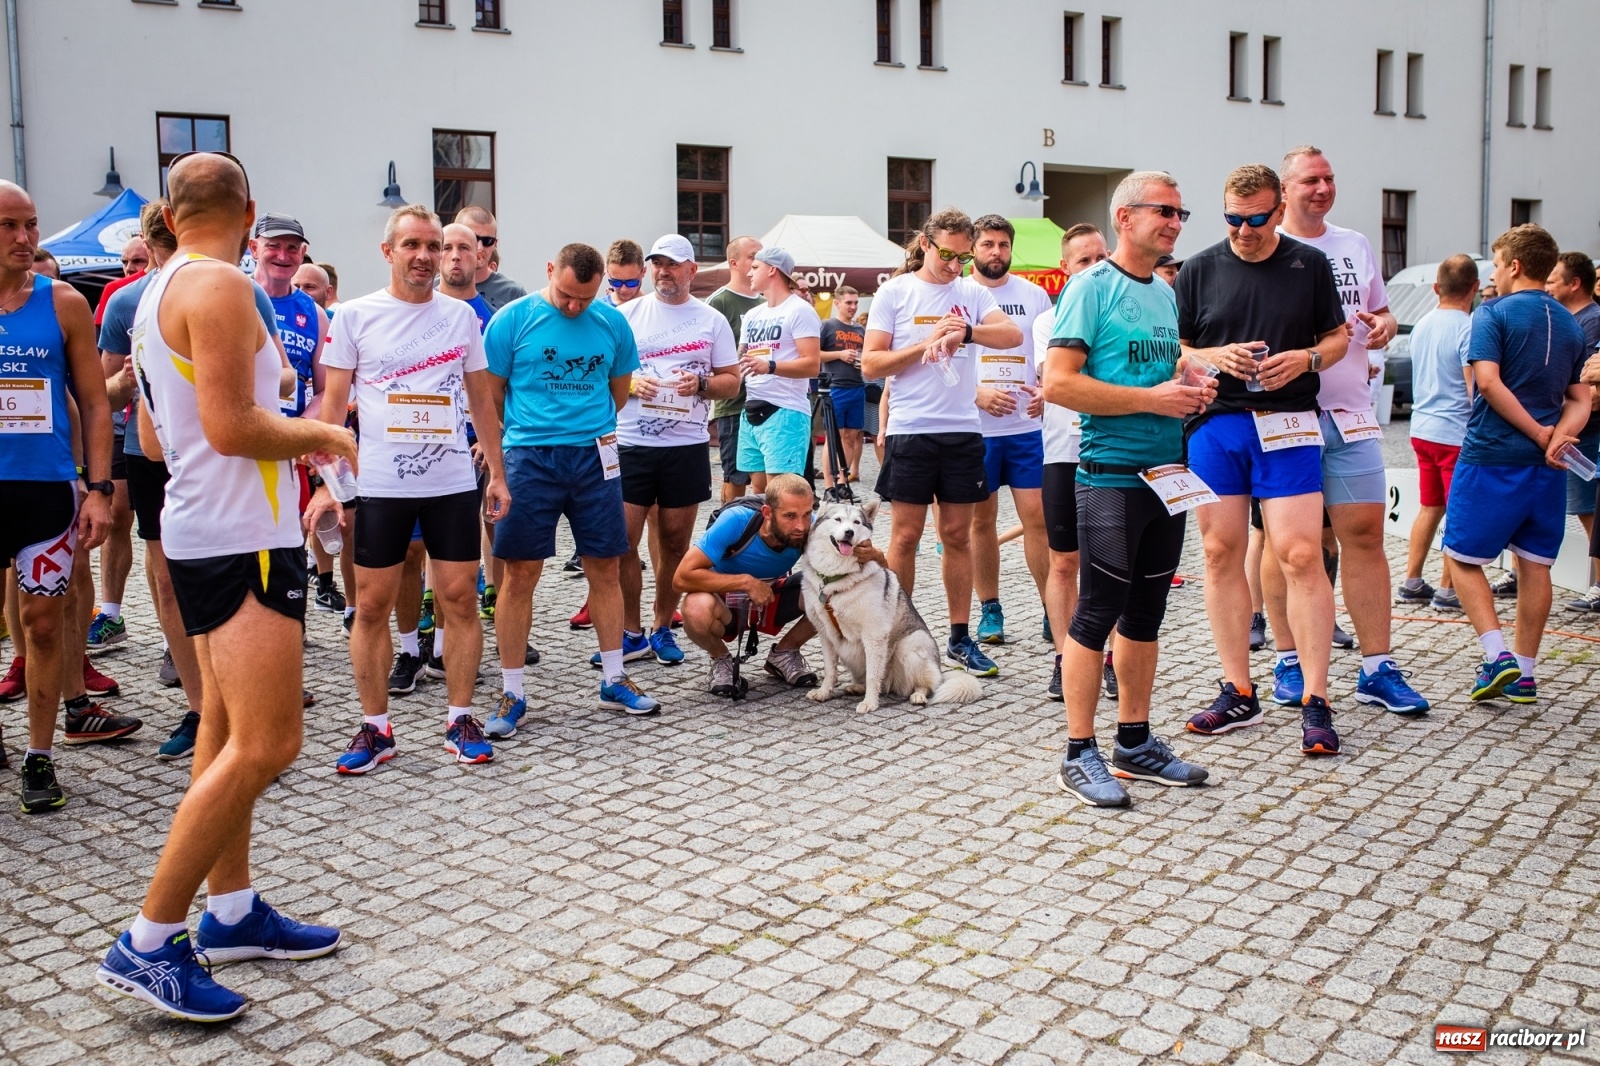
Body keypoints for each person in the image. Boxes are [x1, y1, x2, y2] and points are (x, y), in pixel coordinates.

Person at [97, 153, 353, 1020]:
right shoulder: (218, 288)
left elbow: (167, 440)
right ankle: (146, 940)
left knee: (223, 728)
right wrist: (328, 435)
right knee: (270, 744)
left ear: (170, 211)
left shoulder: (161, 288)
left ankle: (233, 911)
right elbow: (232, 426)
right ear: (250, 209)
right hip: (241, 540)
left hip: (217, 528)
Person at [318, 204, 508, 773]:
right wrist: (328, 485)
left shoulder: (460, 319)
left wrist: (496, 473)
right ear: (388, 252)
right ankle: (375, 728)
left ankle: (460, 717)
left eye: (433, 246)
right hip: (379, 484)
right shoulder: (353, 316)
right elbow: (331, 410)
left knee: (459, 600)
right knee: (372, 605)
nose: (425, 257)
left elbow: (482, 400)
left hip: (450, 481)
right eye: (413, 246)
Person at [1045, 170, 1214, 807]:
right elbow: (1059, 383)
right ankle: (1078, 753)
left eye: (1180, 213)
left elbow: (1160, 367)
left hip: (1166, 475)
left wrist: (1191, 387)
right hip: (1110, 475)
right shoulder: (1090, 286)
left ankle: (1135, 742)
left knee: (1147, 616)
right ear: (1125, 216)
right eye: (1163, 212)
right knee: (1098, 614)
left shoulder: (1164, 293)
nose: (1174, 223)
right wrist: (1150, 398)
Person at [1175, 163, 1349, 756]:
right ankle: (1238, 689)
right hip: (1217, 424)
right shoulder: (1197, 269)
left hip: (1290, 423)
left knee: (1300, 552)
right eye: (1232, 218)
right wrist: (1210, 354)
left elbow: (1338, 337)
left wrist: (1307, 359)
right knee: (1220, 551)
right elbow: (1174, 346)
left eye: (1255, 219)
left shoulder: (1308, 263)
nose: (1244, 230)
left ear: (1278, 212)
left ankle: (1316, 699)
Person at [99, 199, 283, 759]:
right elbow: (107, 394)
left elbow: (279, 368)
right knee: (168, 583)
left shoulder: (241, 292)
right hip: (168, 461)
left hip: (219, 469)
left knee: (232, 584)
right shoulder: (129, 299)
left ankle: (231, 707)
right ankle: (203, 706)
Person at [1268, 146, 1429, 715]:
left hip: (1352, 413)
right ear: (1284, 189)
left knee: (1364, 535)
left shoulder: (1354, 244)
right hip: (1288, 417)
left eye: (1329, 177)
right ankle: (1287, 660)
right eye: (1311, 179)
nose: (1323, 187)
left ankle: (1377, 666)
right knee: (1291, 546)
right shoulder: (1268, 247)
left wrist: (1383, 325)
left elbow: (1381, 311)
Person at [483, 242, 661, 726]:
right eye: (565, 295)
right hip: (529, 457)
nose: (574, 306)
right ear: (549, 272)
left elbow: (618, 393)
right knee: (519, 575)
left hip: (594, 457)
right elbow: (492, 394)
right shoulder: (513, 319)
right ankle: (512, 692)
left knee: (606, 566)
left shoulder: (612, 323)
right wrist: (522, 439)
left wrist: (582, 426)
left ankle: (614, 677)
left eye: (585, 297)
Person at [862, 208, 1023, 678]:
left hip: (962, 430)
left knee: (956, 536)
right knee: (906, 537)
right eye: (947, 255)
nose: (955, 265)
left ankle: (959, 636)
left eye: (963, 256)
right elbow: (871, 365)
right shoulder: (896, 291)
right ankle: (898, 635)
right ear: (926, 244)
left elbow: (1012, 334)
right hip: (913, 428)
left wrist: (966, 332)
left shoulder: (971, 291)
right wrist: (926, 344)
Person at [0, 179, 120, 809]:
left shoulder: (65, 301)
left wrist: (98, 488)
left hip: (45, 489)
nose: (25, 238)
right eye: (9, 226)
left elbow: (96, 405)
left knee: (44, 624)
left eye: (31, 224)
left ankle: (40, 755)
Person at [1444, 224, 1587, 705]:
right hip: (1547, 466)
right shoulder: (1570, 321)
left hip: (1493, 455)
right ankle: (1525, 673)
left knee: (1460, 557)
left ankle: (1497, 654)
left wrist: (1538, 432)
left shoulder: (1493, 312)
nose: (1495, 271)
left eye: (1498, 262)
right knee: (1535, 565)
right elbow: (1580, 396)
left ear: (1516, 265)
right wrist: (1560, 436)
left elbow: (1487, 382)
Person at [586, 234, 739, 680]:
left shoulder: (711, 320)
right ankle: (630, 631)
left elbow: (732, 381)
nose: (663, 272)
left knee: (674, 541)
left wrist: (704, 385)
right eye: (657, 265)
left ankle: (661, 625)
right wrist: (631, 385)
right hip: (631, 442)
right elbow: (600, 373)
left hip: (685, 445)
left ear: (692, 271)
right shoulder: (626, 315)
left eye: (673, 265)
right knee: (623, 542)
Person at [675, 474, 876, 695]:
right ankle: (721, 659)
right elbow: (682, 577)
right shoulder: (736, 521)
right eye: (790, 516)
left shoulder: (817, 526)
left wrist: (873, 554)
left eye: (807, 514)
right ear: (768, 513)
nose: (801, 525)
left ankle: (784, 652)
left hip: (772, 598)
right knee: (694, 607)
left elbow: (857, 566)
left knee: (832, 591)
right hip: (724, 604)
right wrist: (746, 582)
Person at [966, 215, 1052, 648]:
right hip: (976, 427)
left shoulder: (1034, 295)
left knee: (1037, 518)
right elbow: (941, 359)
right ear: (973, 249)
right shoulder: (959, 294)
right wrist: (976, 392)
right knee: (982, 520)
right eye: (987, 244)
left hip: (1026, 426)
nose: (995, 252)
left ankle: (1052, 607)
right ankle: (990, 609)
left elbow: (1051, 352)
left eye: (1002, 245)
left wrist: (1047, 390)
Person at [1036, 224, 1107, 700]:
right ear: (1066, 269)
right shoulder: (1048, 321)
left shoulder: (1126, 310)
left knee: (1111, 566)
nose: (1095, 268)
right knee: (1064, 563)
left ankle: (1113, 658)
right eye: (1084, 261)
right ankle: (1065, 657)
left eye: (1101, 258)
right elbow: (1058, 380)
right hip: (1063, 452)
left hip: (1113, 452)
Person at [1398, 255, 1480, 612]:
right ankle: (1448, 590)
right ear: (1475, 289)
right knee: (1459, 511)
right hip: (1454, 431)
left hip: (1422, 428)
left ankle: (1412, 580)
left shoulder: (1423, 324)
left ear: (1435, 288)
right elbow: (1471, 385)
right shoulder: (1468, 328)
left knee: (1430, 506)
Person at [84, 235, 151, 655]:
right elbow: (98, 371)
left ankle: (174, 632)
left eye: (138, 260)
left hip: (158, 430)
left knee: (159, 532)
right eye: (125, 261)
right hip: (119, 426)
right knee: (117, 519)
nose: (130, 268)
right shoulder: (117, 295)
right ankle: (111, 613)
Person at [735, 247, 823, 490]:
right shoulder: (752, 314)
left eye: (755, 267)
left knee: (780, 496)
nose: (749, 273)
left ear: (772, 269)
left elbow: (812, 365)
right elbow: (741, 357)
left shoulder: (800, 310)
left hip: (786, 411)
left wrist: (770, 366)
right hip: (752, 407)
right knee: (760, 493)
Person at [1544, 252, 1600, 610]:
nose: (1546, 286)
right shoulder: (1572, 318)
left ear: (1573, 283)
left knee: (1591, 511)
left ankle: (1597, 586)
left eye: (1552, 280)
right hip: (1574, 426)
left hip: (1586, 431)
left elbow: (1590, 386)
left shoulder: (1591, 321)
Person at [707, 236, 765, 504]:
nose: (759, 261)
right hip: (733, 405)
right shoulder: (719, 302)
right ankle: (728, 533)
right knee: (735, 479)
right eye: (753, 256)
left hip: (765, 401)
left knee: (764, 482)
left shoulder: (767, 303)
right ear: (734, 262)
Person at [818, 285, 866, 489]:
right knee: (833, 436)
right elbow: (813, 354)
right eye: (848, 302)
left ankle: (842, 481)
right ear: (837, 303)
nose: (853, 307)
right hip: (835, 387)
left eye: (855, 303)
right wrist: (839, 354)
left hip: (857, 385)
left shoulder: (860, 330)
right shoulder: (827, 326)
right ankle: (829, 484)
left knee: (851, 436)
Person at [453, 205, 525, 313]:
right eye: (474, 238)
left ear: (495, 244)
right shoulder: (432, 288)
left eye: (487, 241)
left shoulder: (513, 293)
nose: (480, 248)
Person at [602, 239, 647, 307]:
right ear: (607, 272)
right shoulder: (597, 311)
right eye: (616, 282)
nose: (623, 289)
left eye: (631, 283)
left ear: (643, 272)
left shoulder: (652, 309)